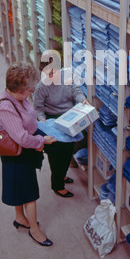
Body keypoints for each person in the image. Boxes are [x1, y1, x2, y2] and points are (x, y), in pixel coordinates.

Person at [0, 62, 57, 247]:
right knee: (29, 192)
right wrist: (41, 142)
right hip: (17, 154)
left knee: (19, 187)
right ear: (20, 90)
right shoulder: (6, 107)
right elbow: (21, 137)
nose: (31, 92)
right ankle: (34, 231)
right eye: (29, 89)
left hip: (24, 149)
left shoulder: (18, 98)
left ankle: (20, 218)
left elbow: (26, 122)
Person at [34, 50, 89, 198]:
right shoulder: (41, 87)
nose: (50, 76)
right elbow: (38, 109)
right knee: (56, 155)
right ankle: (57, 185)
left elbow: (76, 90)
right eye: (47, 73)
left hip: (69, 117)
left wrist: (82, 99)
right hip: (52, 120)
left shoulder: (67, 76)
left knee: (68, 150)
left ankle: (62, 174)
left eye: (54, 72)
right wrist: (43, 121)